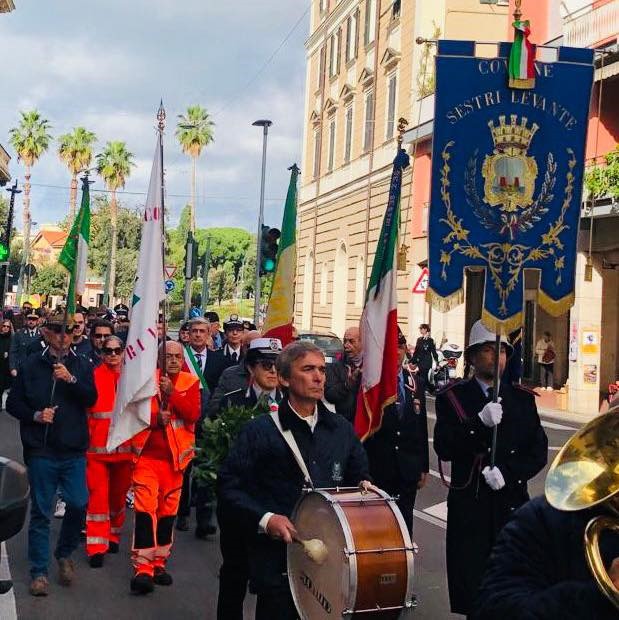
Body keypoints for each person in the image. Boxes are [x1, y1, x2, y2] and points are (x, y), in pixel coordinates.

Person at [218, 341, 372, 619]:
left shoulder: (341, 430)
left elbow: (358, 476)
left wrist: (366, 488)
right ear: (285, 378)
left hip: (328, 558)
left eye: (322, 370)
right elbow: (229, 487)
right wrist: (266, 519)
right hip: (279, 563)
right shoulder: (260, 431)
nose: (318, 377)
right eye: (308, 369)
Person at [433, 319, 548, 616]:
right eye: (488, 349)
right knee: (475, 589)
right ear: (471, 357)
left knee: (511, 586)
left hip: (510, 505)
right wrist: (478, 424)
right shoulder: (453, 397)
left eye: (503, 351)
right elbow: (444, 446)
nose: (497, 356)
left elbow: (537, 452)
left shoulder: (522, 400)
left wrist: (508, 474)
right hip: (471, 506)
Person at [6, 314, 97, 596]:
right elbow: (13, 404)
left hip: (73, 449)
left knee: (79, 503)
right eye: (57, 331)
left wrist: (70, 380)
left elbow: (91, 398)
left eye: (68, 331)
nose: (63, 336)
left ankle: (65, 552)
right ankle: (39, 571)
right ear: (46, 333)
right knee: (42, 512)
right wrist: (36, 415)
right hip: (42, 449)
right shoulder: (31, 364)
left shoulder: (82, 364)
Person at [216, 337, 284, 620]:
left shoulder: (292, 406)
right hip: (238, 506)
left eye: (278, 365)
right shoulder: (231, 402)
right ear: (250, 368)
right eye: (265, 365)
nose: (272, 372)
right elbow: (215, 449)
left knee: (272, 580)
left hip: (276, 507)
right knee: (235, 572)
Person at [129, 340, 201, 594]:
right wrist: (154, 419)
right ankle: (143, 568)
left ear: (183, 359)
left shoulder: (190, 382)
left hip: (175, 463)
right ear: (159, 358)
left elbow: (193, 414)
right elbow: (133, 414)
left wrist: (172, 394)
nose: (172, 360)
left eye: (177, 356)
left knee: (167, 514)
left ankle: (159, 562)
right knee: (145, 512)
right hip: (147, 459)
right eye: (168, 356)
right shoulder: (147, 380)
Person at [364, 329, 428, 536]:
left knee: (403, 527)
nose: (397, 352)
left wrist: (423, 466)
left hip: (407, 470)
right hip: (380, 469)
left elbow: (420, 426)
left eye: (400, 347)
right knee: (377, 530)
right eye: (392, 347)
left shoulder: (414, 382)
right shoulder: (372, 385)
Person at [85, 336, 133, 568]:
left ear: (124, 351)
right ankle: (96, 546)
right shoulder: (93, 376)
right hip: (97, 451)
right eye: (108, 351)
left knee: (117, 497)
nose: (113, 354)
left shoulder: (132, 378)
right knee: (97, 500)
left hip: (125, 451)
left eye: (117, 350)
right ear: (101, 353)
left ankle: (113, 533)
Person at [206, 330, 261, 420]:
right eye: (250, 346)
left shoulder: (272, 374)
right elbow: (214, 406)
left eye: (259, 347)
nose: (254, 351)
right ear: (243, 348)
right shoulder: (230, 374)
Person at [324, 326, 363, 422]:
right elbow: (330, 395)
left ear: (363, 342)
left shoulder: (372, 366)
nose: (346, 345)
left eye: (351, 341)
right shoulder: (335, 366)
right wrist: (347, 385)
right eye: (345, 341)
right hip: (347, 424)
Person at [205, 314, 244, 391]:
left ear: (243, 333)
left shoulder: (247, 356)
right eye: (231, 330)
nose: (235, 333)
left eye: (238, 330)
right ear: (225, 333)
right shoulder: (215, 356)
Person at [10, 311, 44, 376]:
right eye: (29, 319)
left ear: (38, 321)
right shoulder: (19, 334)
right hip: (21, 369)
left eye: (34, 319)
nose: (31, 321)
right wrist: (13, 368)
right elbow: (13, 352)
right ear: (26, 320)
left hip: (37, 371)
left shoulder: (43, 335)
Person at [411, 323, 439, 388]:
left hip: (427, 362)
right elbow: (416, 351)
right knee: (420, 377)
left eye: (421, 329)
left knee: (423, 377)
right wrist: (412, 361)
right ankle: (429, 388)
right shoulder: (419, 339)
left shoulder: (430, 340)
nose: (420, 330)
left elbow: (434, 352)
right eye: (420, 329)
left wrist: (437, 362)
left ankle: (427, 389)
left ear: (426, 329)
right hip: (420, 362)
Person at [0, 319, 13, 404]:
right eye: (4, 326)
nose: (5, 328)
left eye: (7, 326)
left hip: (5, 367)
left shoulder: (12, 338)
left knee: (2, 386)